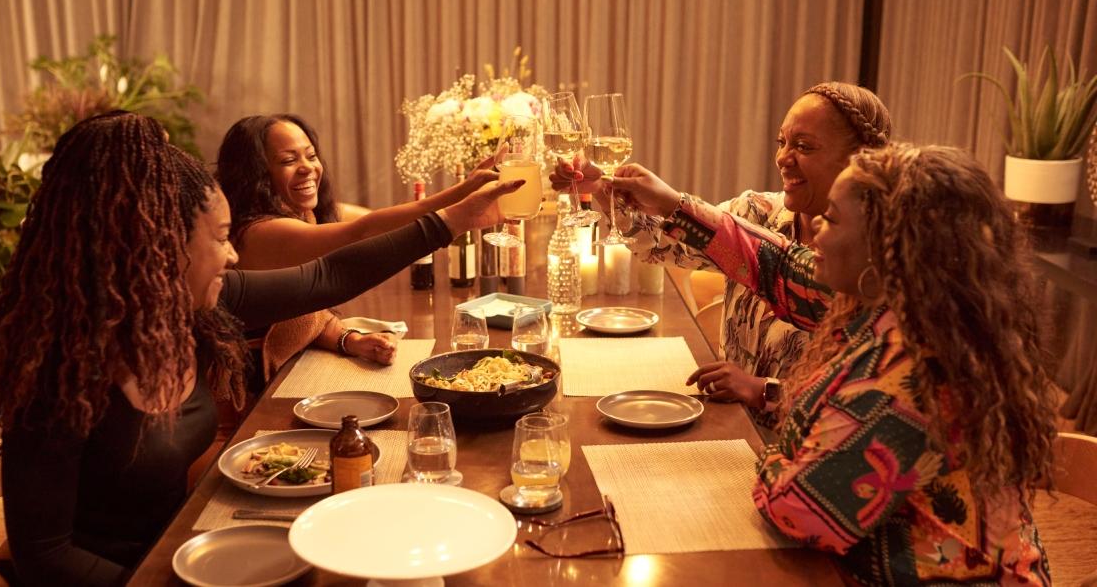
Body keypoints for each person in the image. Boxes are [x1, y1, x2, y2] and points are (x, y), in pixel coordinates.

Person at [0, 111, 520, 586]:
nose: (233, 256)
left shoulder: (180, 308)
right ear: (159, 248)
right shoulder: (59, 368)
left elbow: (325, 276)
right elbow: (45, 558)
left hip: (188, 546)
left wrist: (454, 220)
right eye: (220, 237)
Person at [603, 143, 1055, 585]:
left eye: (831, 219)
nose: (814, 231)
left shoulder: (907, 373)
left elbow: (797, 507)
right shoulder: (899, 305)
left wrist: (783, 452)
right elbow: (774, 262)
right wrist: (669, 202)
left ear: (886, 245)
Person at [554, 82, 891, 424]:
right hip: (724, 421)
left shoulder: (867, 266)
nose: (782, 158)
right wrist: (600, 187)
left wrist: (763, 389)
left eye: (803, 146)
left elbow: (863, 401)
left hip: (786, 443)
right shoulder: (757, 211)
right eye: (781, 142)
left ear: (858, 161)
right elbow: (661, 242)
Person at [216, 114, 499, 381]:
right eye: (289, 160)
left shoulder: (304, 215)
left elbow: (373, 220)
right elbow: (362, 232)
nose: (308, 168)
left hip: (292, 370)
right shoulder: (261, 233)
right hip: (253, 395)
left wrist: (349, 340)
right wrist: (463, 196)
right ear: (256, 174)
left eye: (311, 156)